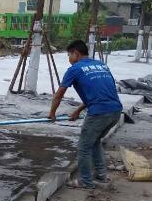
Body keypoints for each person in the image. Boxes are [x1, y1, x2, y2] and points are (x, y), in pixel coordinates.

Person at [49, 40, 123, 189]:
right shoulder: (102, 65)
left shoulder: (74, 69)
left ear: (76, 53)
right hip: (115, 110)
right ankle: (101, 177)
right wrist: (78, 110)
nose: (69, 59)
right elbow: (100, 92)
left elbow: (59, 94)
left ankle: (86, 182)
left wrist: (52, 113)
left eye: (69, 55)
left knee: (84, 147)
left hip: (99, 113)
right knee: (95, 142)